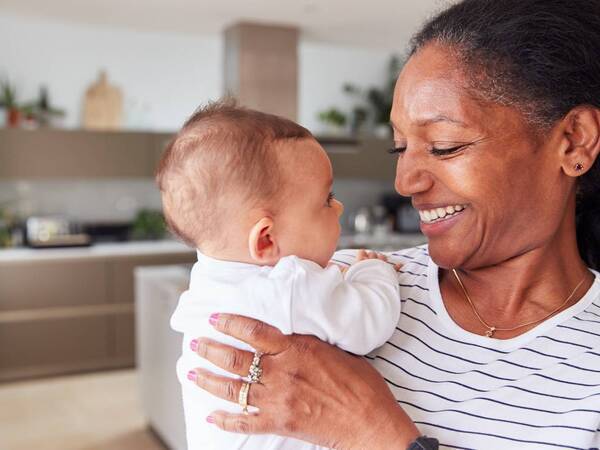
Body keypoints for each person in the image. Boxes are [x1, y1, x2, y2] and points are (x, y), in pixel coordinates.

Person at [182, 0, 600, 448]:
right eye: (399, 149)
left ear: (573, 141)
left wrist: (376, 434)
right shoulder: (337, 279)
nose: (405, 182)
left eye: (444, 145)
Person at [155, 102, 402, 449]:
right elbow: (370, 320)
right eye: (326, 199)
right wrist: (374, 270)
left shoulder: (208, 285)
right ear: (266, 238)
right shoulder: (290, 286)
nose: (339, 207)